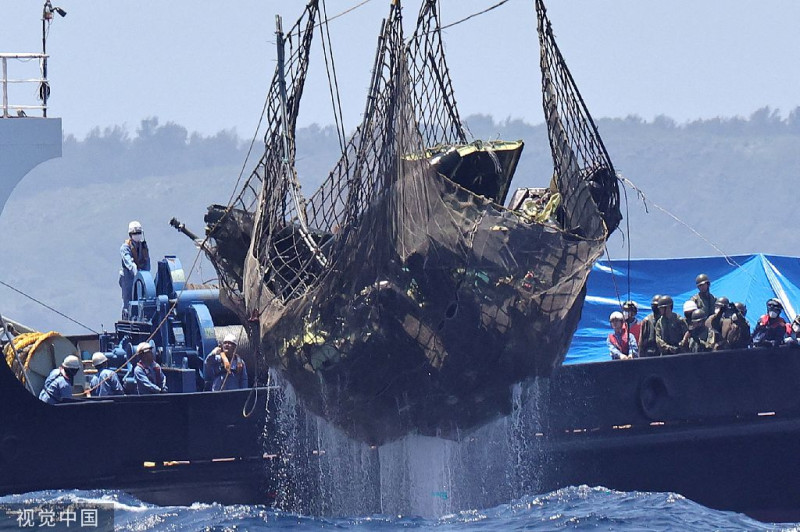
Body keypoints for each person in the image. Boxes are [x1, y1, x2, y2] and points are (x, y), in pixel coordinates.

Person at [119, 221, 151, 319]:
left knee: (142, 299)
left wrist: (147, 277)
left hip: (141, 277)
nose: (137, 235)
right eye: (135, 233)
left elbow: (147, 262)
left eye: (139, 233)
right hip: (127, 277)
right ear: (130, 234)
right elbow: (128, 262)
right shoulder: (125, 247)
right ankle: (126, 319)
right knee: (128, 300)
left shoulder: (143, 246)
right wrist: (135, 270)